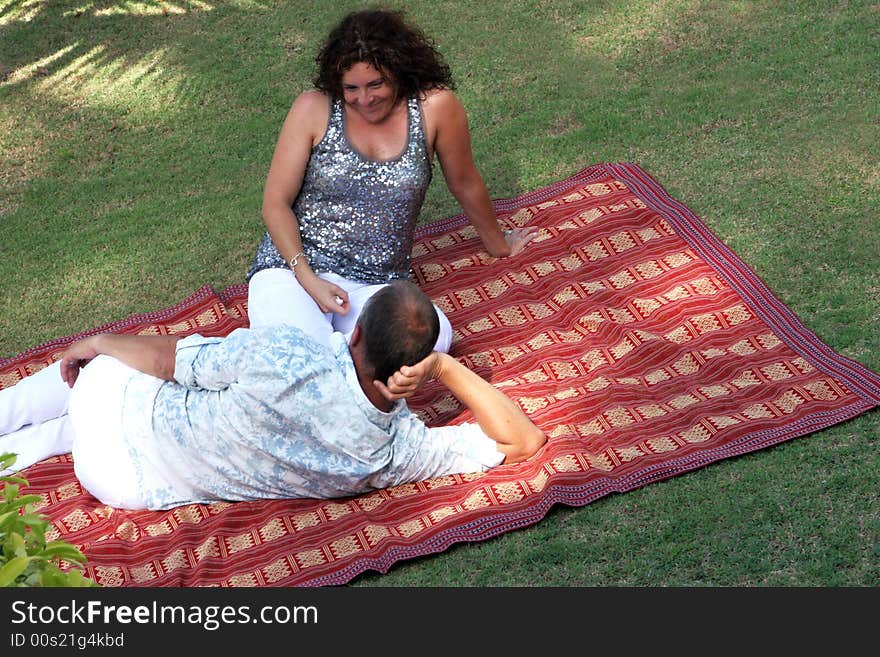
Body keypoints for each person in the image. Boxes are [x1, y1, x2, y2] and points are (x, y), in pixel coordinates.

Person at [0, 281, 546, 510]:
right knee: (80, 423)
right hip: (120, 484)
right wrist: (447, 367)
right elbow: (524, 440)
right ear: (417, 367)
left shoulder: (283, 352)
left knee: (107, 373)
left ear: (353, 333)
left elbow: (172, 361)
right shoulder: (398, 451)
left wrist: (97, 342)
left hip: (120, 416)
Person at [247, 8, 538, 351]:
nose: (364, 99)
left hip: (378, 284)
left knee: (433, 338)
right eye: (351, 88)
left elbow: (464, 181)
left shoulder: (435, 107)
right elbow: (275, 203)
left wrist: (497, 243)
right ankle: (332, 356)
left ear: (398, 69)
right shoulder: (313, 108)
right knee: (303, 350)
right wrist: (308, 279)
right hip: (293, 272)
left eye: (376, 84)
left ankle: (330, 356)